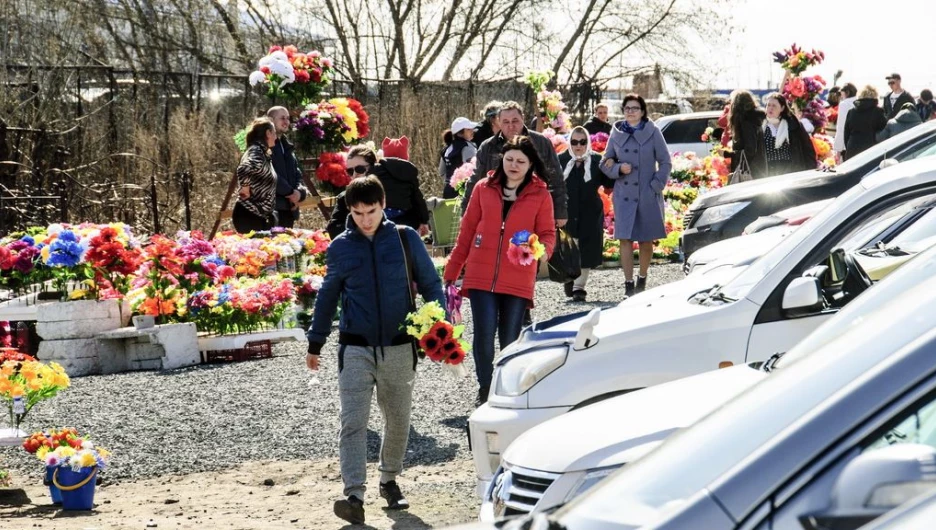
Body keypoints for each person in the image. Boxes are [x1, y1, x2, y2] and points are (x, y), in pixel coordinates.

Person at [306, 176, 444, 525]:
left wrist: (437, 326)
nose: (365, 219)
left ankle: (389, 480)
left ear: (384, 205)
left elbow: (430, 284)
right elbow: (327, 295)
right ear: (349, 211)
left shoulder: (405, 238)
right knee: (352, 421)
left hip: (400, 345)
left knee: (398, 420)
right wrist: (316, 340)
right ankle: (353, 494)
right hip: (355, 346)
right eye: (357, 213)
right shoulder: (340, 246)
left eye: (371, 211)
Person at [443, 136, 556, 406]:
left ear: (530, 165)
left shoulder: (540, 194)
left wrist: (540, 251)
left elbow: (548, 234)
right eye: (509, 159)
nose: (513, 165)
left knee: (510, 337)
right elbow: (467, 231)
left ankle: (505, 386)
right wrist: (451, 271)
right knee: (483, 334)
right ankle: (485, 388)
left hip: (518, 275)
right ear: (501, 160)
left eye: (520, 161)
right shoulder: (483, 188)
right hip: (481, 275)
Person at [600, 94, 671, 297]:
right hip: (624, 194)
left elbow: (665, 161)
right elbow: (605, 162)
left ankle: (642, 277)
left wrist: (656, 185)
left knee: (646, 240)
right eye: (627, 108)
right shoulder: (616, 133)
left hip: (647, 193)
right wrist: (619, 169)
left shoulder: (653, 132)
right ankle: (628, 284)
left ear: (642, 111)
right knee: (625, 239)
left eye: (635, 108)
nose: (630, 112)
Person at [463, 101, 568, 228]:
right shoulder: (488, 147)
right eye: (506, 122)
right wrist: (465, 213)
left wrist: (560, 211)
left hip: (534, 210)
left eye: (515, 121)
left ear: (523, 119)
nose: (511, 126)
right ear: (499, 123)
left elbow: (556, 177)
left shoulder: (541, 142)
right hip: (498, 212)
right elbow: (475, 181)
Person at [326, 145, 430, 240]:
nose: (354, 175)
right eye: (350, 171)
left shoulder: (400, 187)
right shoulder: (344, 198)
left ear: (373, 166)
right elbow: (333, 229)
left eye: (359, 169)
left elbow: (418, 204)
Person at [558, 126, 612, 302]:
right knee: (569, 247)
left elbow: (608, 183)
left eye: (582, 142)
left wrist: (613, 167)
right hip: (567, 210)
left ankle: (579, 288)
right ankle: (571, 277)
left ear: (587, 142)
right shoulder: (561, 159)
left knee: (587, 249)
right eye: (574, 142)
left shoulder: (597, 160)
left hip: (590, 210)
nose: (578, 146)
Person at [232, 117, 278, 233]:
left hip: (258, 216)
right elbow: (244, 168)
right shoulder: (256, 151)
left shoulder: (262, 152)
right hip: (248, 215)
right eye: (274, 133)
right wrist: (245, 189)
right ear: (268, 133)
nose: (276, 137)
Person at [266, 106, 309, 228]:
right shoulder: (264, 146)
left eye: (288, 118)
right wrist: (291, 193)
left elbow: (297, 175)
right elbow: (270, 175)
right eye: (282, 118)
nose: (286, 122)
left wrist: (300, 193)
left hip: (289, 210)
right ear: (270, 120)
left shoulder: (287, 146)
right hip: (271, 211)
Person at [762, 93, 817, 176]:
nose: (770, 108)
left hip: (790, 170)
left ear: (782, 108)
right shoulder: (760, 126)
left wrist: (810, 170)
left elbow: (808, 149)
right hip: (766, 171)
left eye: (774, 106)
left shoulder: (793, 125)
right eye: (768, 105)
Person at [726, 90, 767, 179]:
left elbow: (750, 150)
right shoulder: (754, 120)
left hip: (750, 172)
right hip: (758, 170)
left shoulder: (747, 121)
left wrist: (728, 154)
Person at [844, 85, 887, 161]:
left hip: (852, 149)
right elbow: (884, 132)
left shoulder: (851, 112)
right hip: (871, 149)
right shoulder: (878, 111)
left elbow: (846, 134)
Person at [438, 117, 478, 198]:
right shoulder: (468, 147)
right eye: (469, 129)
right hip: (464, 191)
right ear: (461, 132)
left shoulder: (447, 148)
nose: (472, 131)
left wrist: (452, 182)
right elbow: (472, 171)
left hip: (448, 191)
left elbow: (442, 172)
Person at [833, 83, 858, 160]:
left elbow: (841, 126)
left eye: (841, 92)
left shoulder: (844, 104)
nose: (841, 94)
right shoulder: (858, 102)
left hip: (846, 143)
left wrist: (838, 148)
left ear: (847, 92)